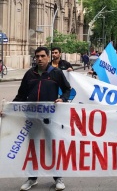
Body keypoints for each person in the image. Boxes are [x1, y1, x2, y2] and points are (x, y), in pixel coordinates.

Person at [14, 47, 71, 191]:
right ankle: (32, 178)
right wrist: (8, 109)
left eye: (42, 56)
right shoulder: (29, 74)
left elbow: (67, 89)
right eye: (37, 56)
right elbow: (21, 95)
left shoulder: (56, 73)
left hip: (50, 118)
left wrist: (62, 99)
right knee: (33, 148)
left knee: (52, 147)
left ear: (48, 57)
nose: (39, 59)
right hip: (32, 118)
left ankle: (58, 177)